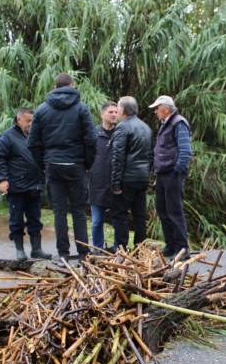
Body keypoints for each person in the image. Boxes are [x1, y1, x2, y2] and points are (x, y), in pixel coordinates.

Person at [30, 73, 97, 260]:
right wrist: (87, 163)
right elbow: (91, 140)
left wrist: (44, 163)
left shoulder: (42, 110)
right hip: (76, 165)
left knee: (59, 211)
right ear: (72, 85)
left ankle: (63, 254)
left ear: (55, 87)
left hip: (53, 165)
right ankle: (83, 254)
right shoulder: (81, 108)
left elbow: (33, 143)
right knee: (78, 211)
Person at [0, 108, 52, 260]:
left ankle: (36, 249)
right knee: (16, 220)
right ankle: (19, 249)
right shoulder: (7, 137)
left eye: (33, 121)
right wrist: (2, 179)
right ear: (19, 120)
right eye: (28, 121)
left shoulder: (37, 136)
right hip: (16, 186)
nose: (31, 124)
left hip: (35, 185)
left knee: (35, 219)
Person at [150, 95, 192, 258]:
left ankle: (182, 248)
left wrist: (176, 172)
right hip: (162, 174)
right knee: (163, 210)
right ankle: (171, 245)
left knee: (174, 211)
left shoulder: (178, 123)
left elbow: (185, 150)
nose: (155, 111)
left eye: (157, 108)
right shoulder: (166, 123)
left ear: (166, 109)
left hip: (172, 174)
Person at [110, 96, 152, 250]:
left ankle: (121, 248)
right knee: (139, 214)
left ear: (123, 109)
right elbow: (151, 155)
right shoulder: (146, 127)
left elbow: (118, 156)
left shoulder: (123, 127)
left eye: (118, 107)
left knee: (120, 213)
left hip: (127, 178)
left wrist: (115, 184)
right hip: (142, 177)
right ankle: (140, 248)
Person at [88, 102, 117, 252]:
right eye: (110, 112)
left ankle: (119, 249)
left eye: (116, 112)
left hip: (116, 183)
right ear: (102, 114)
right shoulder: (93, 133)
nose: (114, 115)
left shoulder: (120, 133)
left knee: (118, 219)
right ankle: (97, 249)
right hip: (96, 183)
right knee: (97, 221)